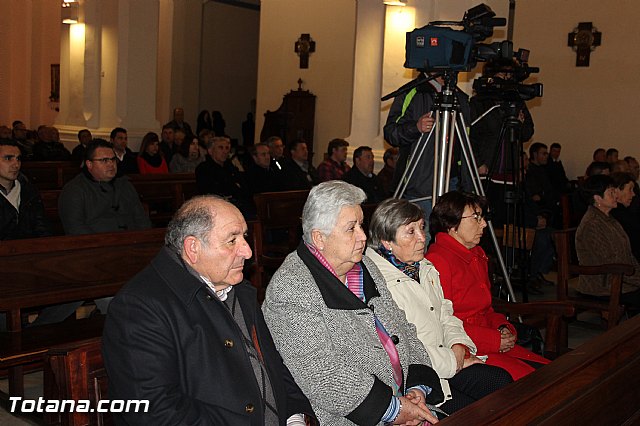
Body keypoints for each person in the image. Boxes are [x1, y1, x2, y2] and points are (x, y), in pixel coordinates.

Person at [102, 196, 318, 425]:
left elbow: (273, 366)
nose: (247, 251)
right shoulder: (139, 307)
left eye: (244, 237)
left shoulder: (238, 289)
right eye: (231, 240)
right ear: (193, 248)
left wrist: (295, 416)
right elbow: (154, 412)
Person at [262, 181, 443, 425]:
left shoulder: (365, 266)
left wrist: (418, 389)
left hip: (408, 400)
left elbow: (403, 327)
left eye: (361, 224)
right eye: (351, 228)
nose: (363, 236)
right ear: (319, 238)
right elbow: (323, 373)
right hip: (356, 417)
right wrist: (393, 410)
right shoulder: (292, 287)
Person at [367, 198, 512, 414]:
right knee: (470, 413)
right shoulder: (377, 284)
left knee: (501, 382)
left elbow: (446, 313)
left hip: (448, 359)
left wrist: (459, 345)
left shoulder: (423, 267)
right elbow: (403, 349)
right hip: (417, 376)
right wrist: (454, 360)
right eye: (411, 231)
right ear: (387, 241)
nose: (422, 237)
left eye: (422, 228)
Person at [427, 191, 550, 380]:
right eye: (476, 218)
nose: (484, 223)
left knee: (554, 373)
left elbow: (486, 308)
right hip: (468, 349)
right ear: (452, 224)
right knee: (536, 383)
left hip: (489, 339)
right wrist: (493, 340)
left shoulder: (476, 253)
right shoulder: (438, 261)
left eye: (482, 217)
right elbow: (443, 323)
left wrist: (502, 327)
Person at [384, 71, 471, 227]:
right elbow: (391, 133)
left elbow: (466, 143)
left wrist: (467, 185)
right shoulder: (413, 92)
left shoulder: (460, 98)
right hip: (419, 185)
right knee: (421, 239)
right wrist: (415, 127)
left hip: (453, 184)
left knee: (448, 242)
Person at [58, 139, 151, 235]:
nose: (111, 164)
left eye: (113, 159)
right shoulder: (74, 190)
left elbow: (141, 220)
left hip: (132, 242)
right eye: (104, 160)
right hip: (97, 246)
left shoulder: (125, 184)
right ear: (89, 164)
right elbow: (75, 228)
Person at [575, 174, 640, 311]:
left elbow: (628, 254)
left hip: (621, 277)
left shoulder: (609, 219)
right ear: (597, 198)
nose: (616, 196)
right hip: (602, 285)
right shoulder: (592, 224)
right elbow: (609, 263)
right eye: (611, 192)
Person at [0, 139, 51, 240]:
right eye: (8, 158)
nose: (16, 165)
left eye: (18, 159)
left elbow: (42, 229)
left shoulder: (29, 192)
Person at [195, 136, 253, 217]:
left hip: (237, 203)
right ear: (210, 151)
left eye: (227, 148)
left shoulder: (230, 166)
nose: (225, 151)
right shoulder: (204, 168)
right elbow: (209, 191)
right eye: (221, 148)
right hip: (217, 206)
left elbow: (242, 184)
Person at [610, 172, 640, 261]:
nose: (633, 194)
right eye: (630, 190)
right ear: (617, 190)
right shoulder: (618, 214)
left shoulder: (626, 211)